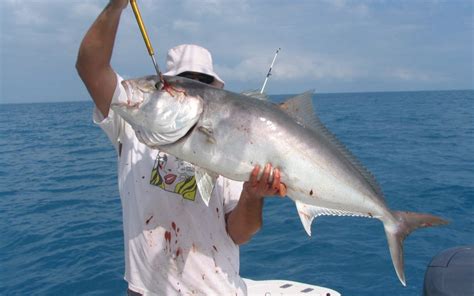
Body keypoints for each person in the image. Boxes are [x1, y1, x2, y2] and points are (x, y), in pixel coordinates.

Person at [76, 1, 286, 295]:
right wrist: (116, 7)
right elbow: (90, 67)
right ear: (165, 87)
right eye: (186, 81)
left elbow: (240, 233)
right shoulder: (131, 125)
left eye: (204, 84)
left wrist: (252, 195)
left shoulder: (230, 146)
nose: (194, 91)